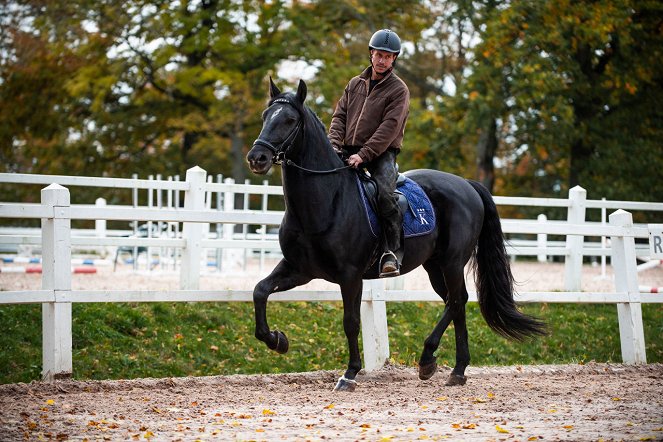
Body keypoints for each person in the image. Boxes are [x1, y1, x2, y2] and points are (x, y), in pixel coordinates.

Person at [328, 29, 410, 278]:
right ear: (371, 54)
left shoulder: (399, 90)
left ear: (394, 59)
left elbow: (389, 128)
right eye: (379, 54)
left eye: (388, 56)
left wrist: (364, 155)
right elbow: (339, 116)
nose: (382, 60)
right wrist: (333, 144)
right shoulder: (354, 84)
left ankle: (391, 253)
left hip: (381, 154)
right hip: (347, 149)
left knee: (385, 195)